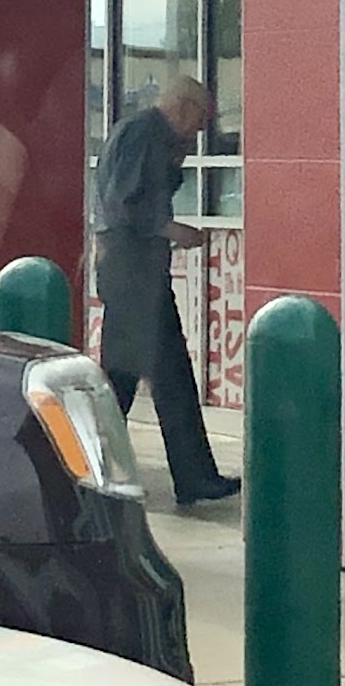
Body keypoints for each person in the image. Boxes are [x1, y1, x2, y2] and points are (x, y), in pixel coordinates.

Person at [92, 74, 239, 507]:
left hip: (134, 269)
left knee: (135, 375)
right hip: (133, 270)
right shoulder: (144, 135)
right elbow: (125, 204)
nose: (199, 132)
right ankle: (186, 476)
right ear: (183, 106)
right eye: (199, 120)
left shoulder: (145, 135)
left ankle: (97, 468)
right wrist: (174, 229)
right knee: (153, 375)